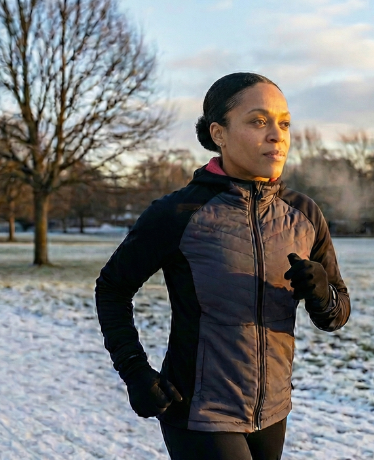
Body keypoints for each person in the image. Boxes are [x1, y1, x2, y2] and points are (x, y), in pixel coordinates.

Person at [95, 72, 351, 460]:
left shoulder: (303, 214)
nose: (277, 136)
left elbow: (337, 313)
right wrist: (134, 371)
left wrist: (321, 294)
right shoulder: (179, 212)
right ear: (219, 133)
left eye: (284, 123)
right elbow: (112, 288)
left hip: (273, 412)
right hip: (199, 412)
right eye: (258, 121)